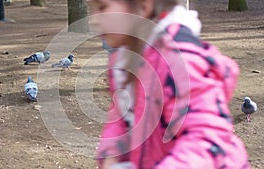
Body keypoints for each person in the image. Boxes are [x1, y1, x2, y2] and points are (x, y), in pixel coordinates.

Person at [91, 0, 250, 169]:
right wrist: (112, 155)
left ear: (143, 6)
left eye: (102, 7)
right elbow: (122, 118)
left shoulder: (179, 60)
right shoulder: (125, 62)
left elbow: (206, 136)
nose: (93, 19)